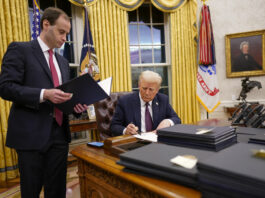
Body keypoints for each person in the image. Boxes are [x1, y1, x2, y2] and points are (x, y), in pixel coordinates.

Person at [0, 7, 88, 198]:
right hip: (31, 135)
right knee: (31, 191)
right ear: (46, 24)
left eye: (67, 33)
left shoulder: (63, 62)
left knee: (56, 190)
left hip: (59, 134)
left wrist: (77, 106)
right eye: (61, 32)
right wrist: (43, 94)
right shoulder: (20, 50)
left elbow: (63, 96)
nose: (65, 38)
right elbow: (6, 87)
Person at [110, 70, 181, 136]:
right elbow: (114, 126)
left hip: (157, 142)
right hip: (135, 142)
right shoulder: (125, 101)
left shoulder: (162, 100)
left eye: (151, 89)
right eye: (144, 88)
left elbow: (177, 119)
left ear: (157, 90)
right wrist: (126, 130)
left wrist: (168, 122)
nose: (147, 93)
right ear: (139, 86)